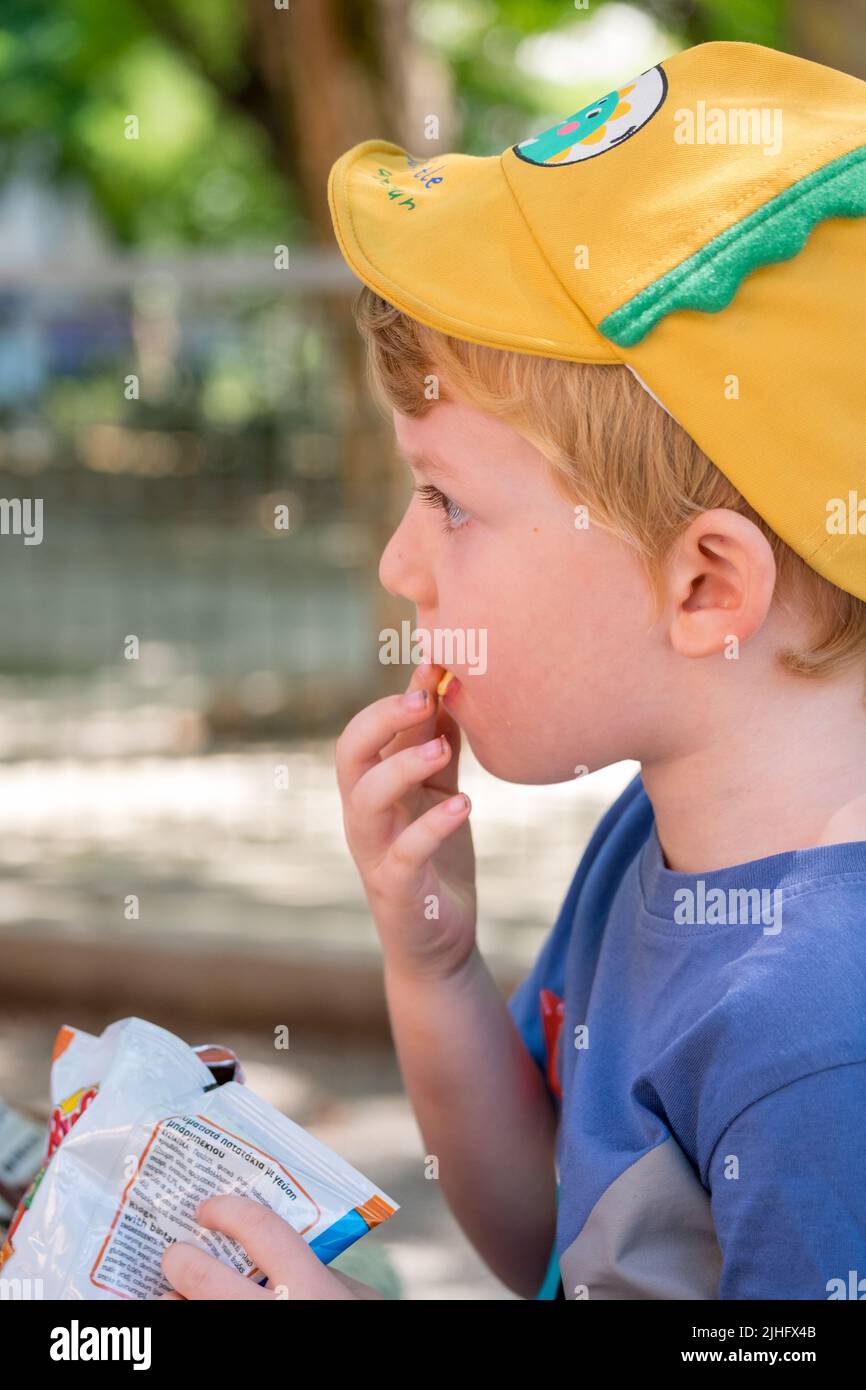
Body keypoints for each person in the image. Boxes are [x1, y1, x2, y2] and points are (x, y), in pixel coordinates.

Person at [161, 39, 866, 1301]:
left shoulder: (824, 1041)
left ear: (704, 585)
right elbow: (551, 1231)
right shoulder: (649, 839)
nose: (396, 561)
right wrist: (432, 963)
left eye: (446, 501)